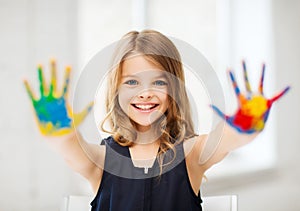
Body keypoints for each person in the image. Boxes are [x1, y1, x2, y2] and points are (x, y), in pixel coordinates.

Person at [24, 30, 290, 211]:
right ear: (116, 90)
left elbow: (228, 139)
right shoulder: (101, 161)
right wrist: (58, 129)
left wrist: (245, 123)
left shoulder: (191, 154)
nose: (145, 92)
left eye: (159, 81)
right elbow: (68, 147)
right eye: (131, 82)